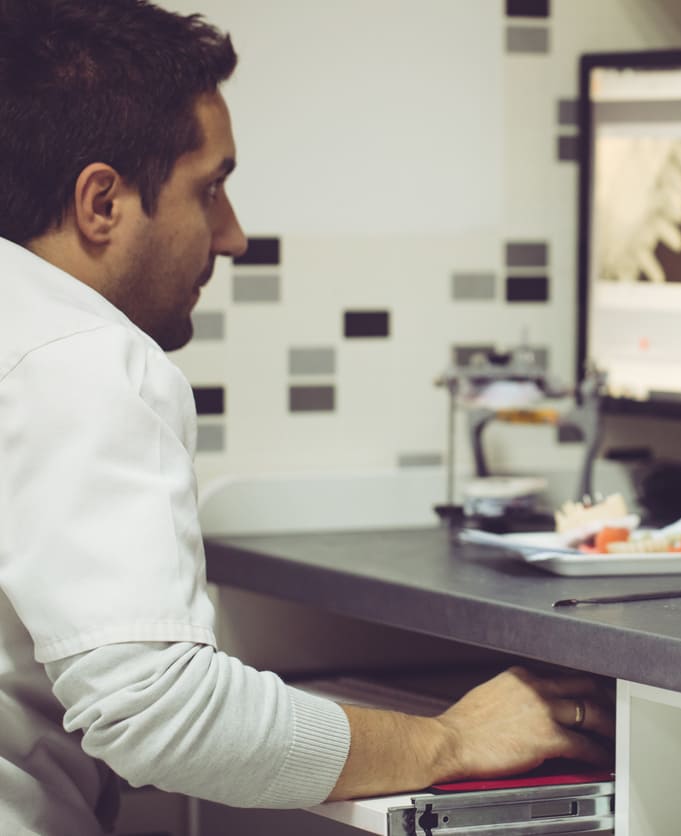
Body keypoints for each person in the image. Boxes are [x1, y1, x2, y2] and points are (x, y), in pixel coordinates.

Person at [0, 2, 613, 833]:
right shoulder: (83, 358)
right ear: (101, 202)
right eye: (210, 190)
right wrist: (450, 739)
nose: (234, 236)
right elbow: (160, 712)